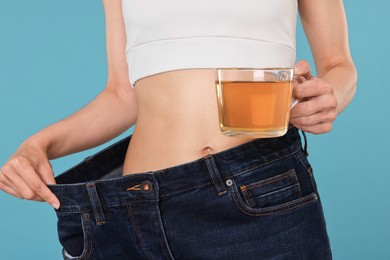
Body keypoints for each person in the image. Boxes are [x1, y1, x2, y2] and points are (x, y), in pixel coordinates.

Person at [0, 0, 356, 259]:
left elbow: (339, 65)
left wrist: (331, 96)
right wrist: (38, 145)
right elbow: (123, 95)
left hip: (251, 195)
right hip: (131, 208)